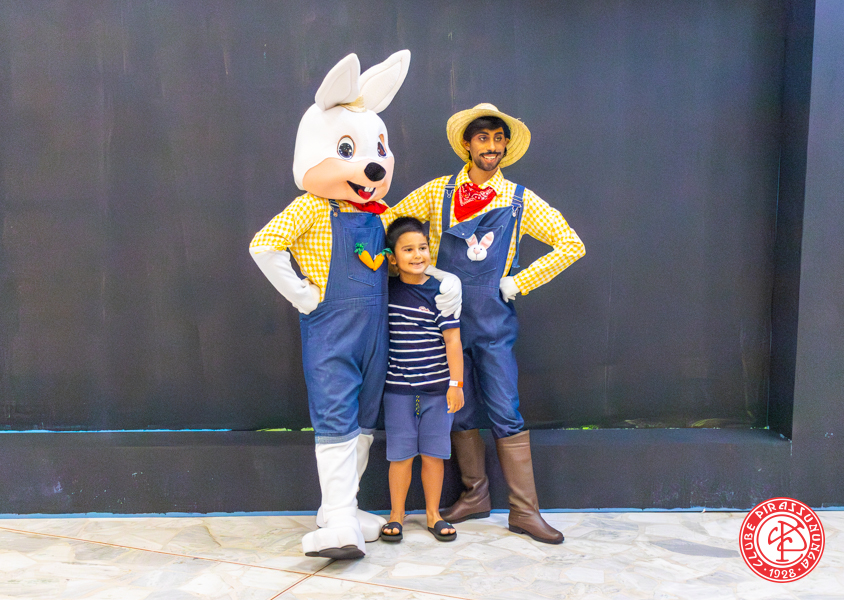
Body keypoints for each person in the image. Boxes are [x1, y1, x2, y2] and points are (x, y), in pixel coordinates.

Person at [385, 103, 585, 544]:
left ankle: (524, 511)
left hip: (494, 324)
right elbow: (389, 223)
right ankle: (475, 495)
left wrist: (519, 282)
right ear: (467, 144)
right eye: (483, 138)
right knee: (458, 408)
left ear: (505, 146)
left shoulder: (518, 199)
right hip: (443, 324)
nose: (491, 147)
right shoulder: (437, 192)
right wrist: (413, 270)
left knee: (505, 410)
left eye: (498, 139)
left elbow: (571, 244)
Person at [379, 217, 464, 543]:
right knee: (400, 456)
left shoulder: (442, 292)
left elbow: (452, 340)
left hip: (438, 390)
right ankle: (396, 515)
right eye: (408, 249)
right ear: (392, 257)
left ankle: (433, 515)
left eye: (423, 248)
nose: (418, 255)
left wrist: (455, 385)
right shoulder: (386, 291)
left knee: (433, 454)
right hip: (398, 390)